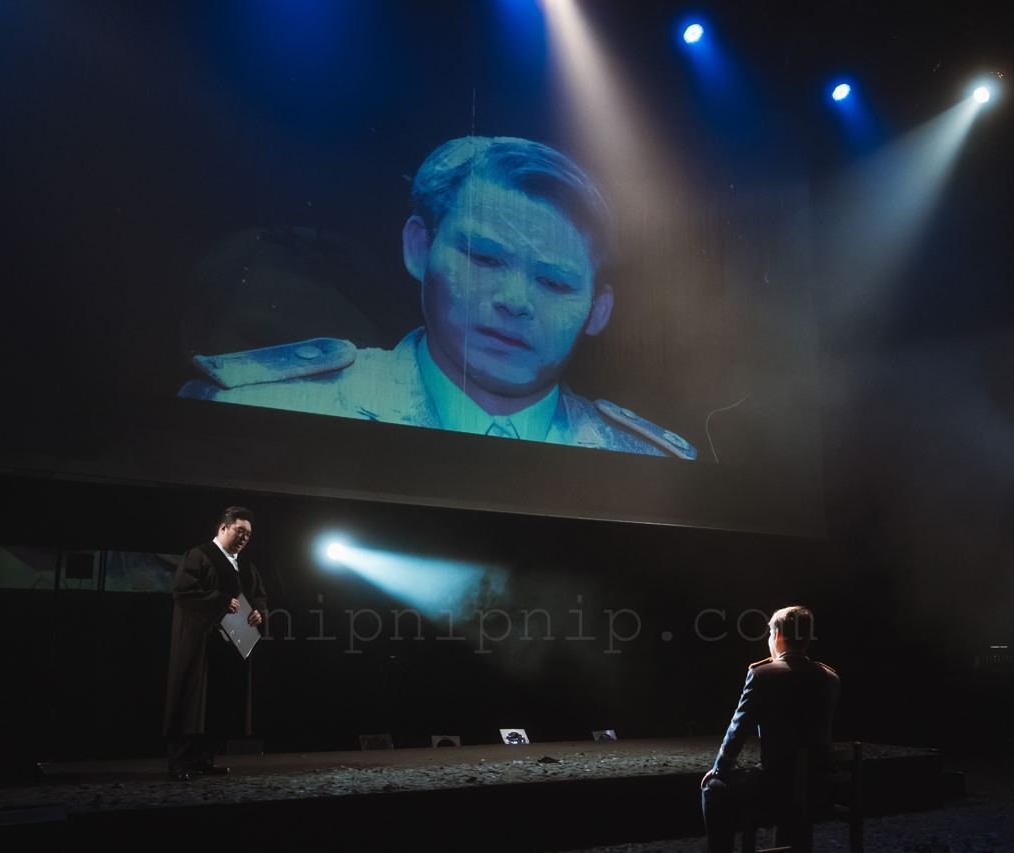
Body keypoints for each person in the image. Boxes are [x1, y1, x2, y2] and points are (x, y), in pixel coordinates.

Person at [178, 135, 696, 460]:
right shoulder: (260, 408)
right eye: (484, 258)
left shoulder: (650, 463)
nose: (515, 301)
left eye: (555, 282)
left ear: (598, 310)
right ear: (418, 248)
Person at [700, 606, 839, 853]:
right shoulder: (830, 678)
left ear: (778, 635)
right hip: (820, 789)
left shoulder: (763, 675)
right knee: (792, 782)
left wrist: (719, 769)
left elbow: (738, 729)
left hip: (776, 790)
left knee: (713, 790)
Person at [163, 506, 267, 781]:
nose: (244, 537)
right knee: (192, 702)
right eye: (239, 531)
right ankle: (180, 762)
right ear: (223, 527)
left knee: (219, 704)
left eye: (248, 534)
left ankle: (205, 759)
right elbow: (183, 591)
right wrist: (221, 600)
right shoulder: (199, 555)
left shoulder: (246, 566)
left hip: (230, 646)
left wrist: (259, 612)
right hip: (199, 644)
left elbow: (259, 596)